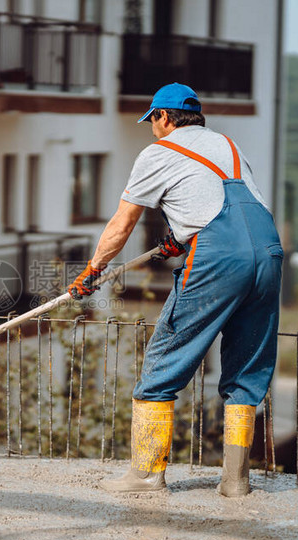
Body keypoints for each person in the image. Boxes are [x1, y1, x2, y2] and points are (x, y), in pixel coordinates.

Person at [67, 83, 282, 497]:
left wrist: (94, 270)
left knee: (163, 362)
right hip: (268, 253)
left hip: (218, 256)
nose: (152, 129)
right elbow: (221, 204)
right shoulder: (227, 145)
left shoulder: (158, 153)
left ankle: (146, 475)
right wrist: (179, 238)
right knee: (246, 368)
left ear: (163, 117)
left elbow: (122, 223)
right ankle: (236, 481)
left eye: (152, 121)